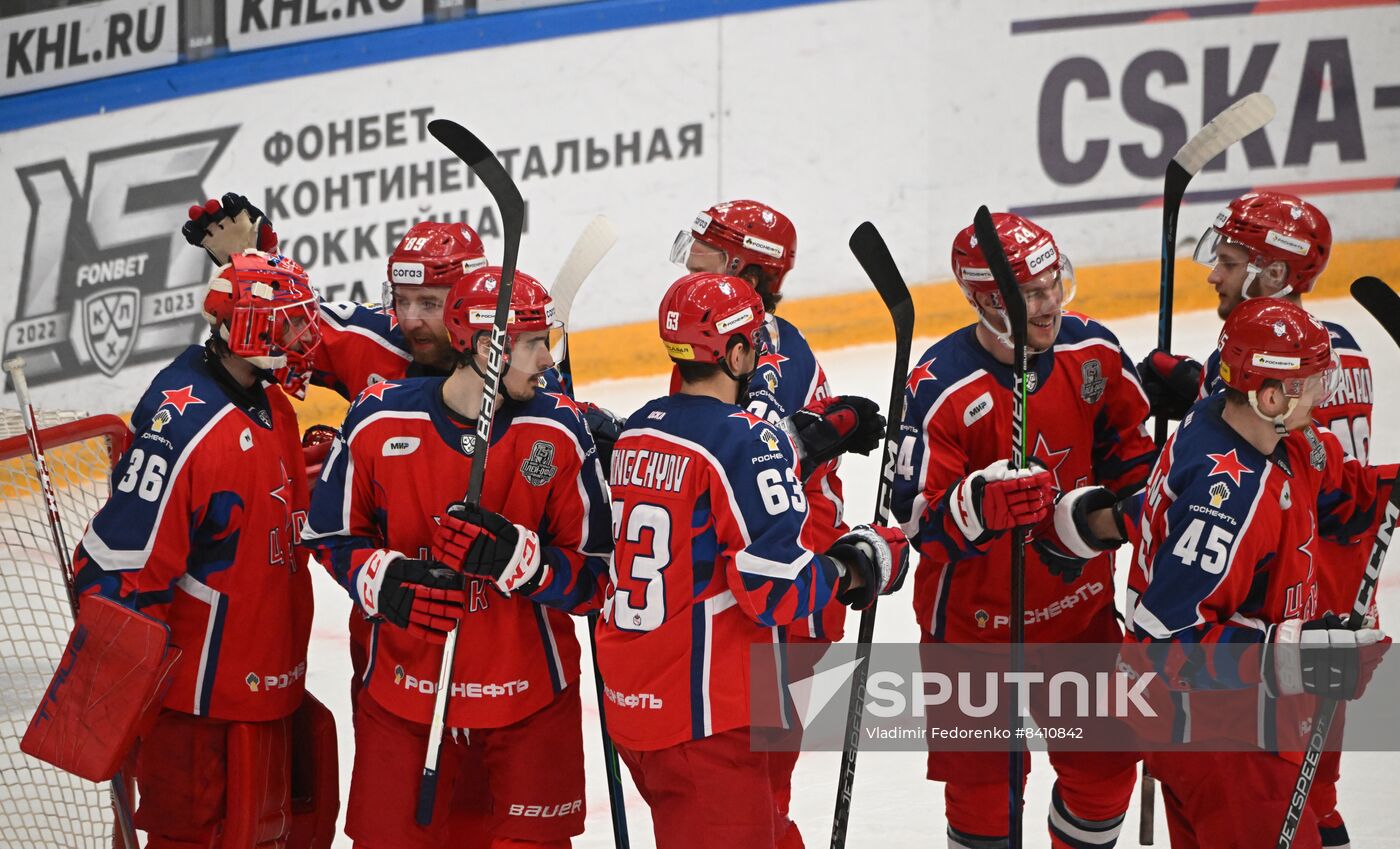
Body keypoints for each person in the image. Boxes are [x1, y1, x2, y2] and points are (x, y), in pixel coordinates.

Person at [301, 265, 612, 849]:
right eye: (534, 343)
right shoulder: (378, 417)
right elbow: (330, 533)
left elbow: (598, 578)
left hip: (530, 700)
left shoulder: (560, 431)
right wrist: (382, 577)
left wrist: (524, 563)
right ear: (490, 347)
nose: (549, 361)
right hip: (403, 695)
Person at [594, 271, 908, 849]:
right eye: (755, 348)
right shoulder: (745, 440)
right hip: (705, 719)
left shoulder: (637, 430)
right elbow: (775, 591)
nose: (763, 359)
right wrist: (858, 565)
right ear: (736, 353)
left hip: (636, 711)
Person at [892, 213, 1157, 848]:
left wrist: (1136, 500)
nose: (1050, 304)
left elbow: (1137, 463)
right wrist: (979, 506)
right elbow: (912, 521)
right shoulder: (940, 386)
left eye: (1053, 284)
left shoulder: (1093, 351)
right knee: (986, 802)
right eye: (1032, 293)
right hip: (973, 632)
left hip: (1079, 613)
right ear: (985, 299)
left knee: (1105, 767)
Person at [71, 249, 336, 848]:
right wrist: (123, 697)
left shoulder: (268, 401)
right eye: (288, 323)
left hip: (268, 682)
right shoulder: (181, 425)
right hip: (198, 709)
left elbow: (273, 510)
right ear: (245, 329)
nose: (302, 337)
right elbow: (119, 563)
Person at [1138, 191, 1375, 846]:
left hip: (1288, 641)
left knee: (1306, 800)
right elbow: (1170, 635)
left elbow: (1333, 491)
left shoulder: (1272, 409)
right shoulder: (1234, 470)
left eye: (1230, 258)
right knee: (1305, 804)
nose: (1214, 270)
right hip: (1243, 695)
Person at [670, 200, 881, 846]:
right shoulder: (726, 339)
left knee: (753, 785)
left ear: (738, 266)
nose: (688, 259)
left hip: (790, 595)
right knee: (743, 783)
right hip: (768, 587)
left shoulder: (765, 354)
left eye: (703, 249)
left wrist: (818, 434)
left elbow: (748, 459)